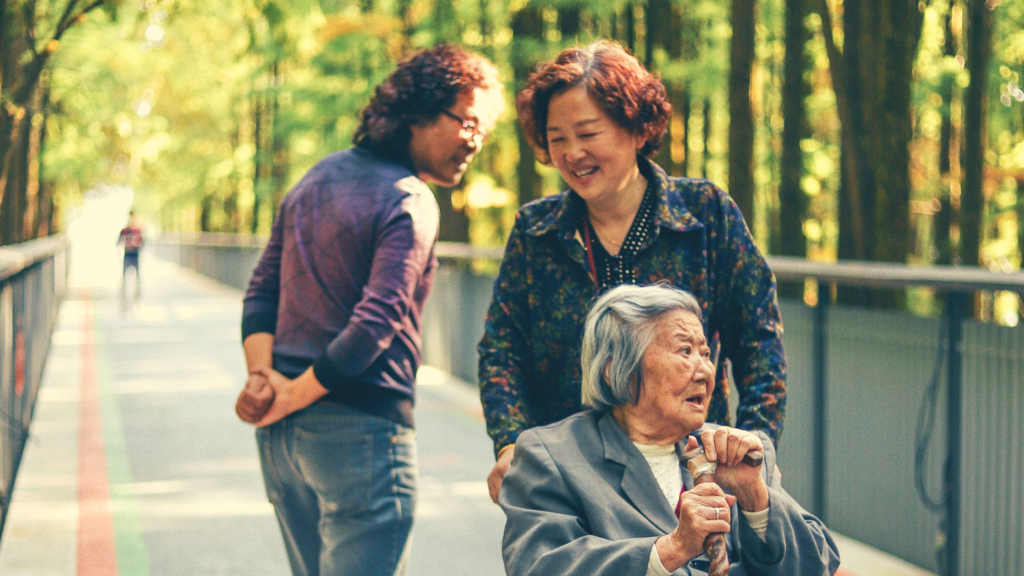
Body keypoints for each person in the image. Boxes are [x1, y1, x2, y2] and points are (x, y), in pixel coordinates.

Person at [235, 44, 504, 576]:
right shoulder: (409, 198)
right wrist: (284, 394)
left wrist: (265, 380)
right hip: (361, 439)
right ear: (422, 111)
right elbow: (375, 323)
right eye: (468, 123)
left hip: (284, 444)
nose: (475, 141)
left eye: (485, 131)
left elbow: (261, 292)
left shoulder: (312, 180)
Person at [479, 40, 786, 503]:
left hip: (692, 477)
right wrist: (511, 442)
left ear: (638, 129)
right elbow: (502, 350)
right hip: (570, 480)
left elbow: (759, 343)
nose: (571, 152)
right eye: (557, 137)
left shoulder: (706, 215)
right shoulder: (534, 232)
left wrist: (752, 449)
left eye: (588, 133)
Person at [500, 284, 839, 576]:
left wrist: (756, 499)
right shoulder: (553, 456)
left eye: (706, 353)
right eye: (685, 351)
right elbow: (539, 566)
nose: (705, 370)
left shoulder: (737, 452)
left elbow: (818, 565)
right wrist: (670, 550)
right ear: (617, 368)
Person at [117, 211, 144, 309]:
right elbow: (119, 242)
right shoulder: (125, 231)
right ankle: (123, 301)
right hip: (127, 256)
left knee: (138, 279)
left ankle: (137, 301)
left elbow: (143, 243)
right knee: (124, 279)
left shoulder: (138, 231)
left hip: (135, 256)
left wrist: (136, 243)